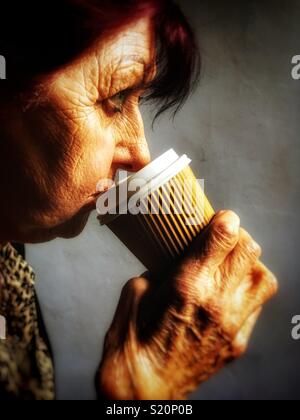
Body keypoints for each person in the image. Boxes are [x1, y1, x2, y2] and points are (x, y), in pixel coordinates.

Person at [0, 0, 278, 400]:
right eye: (115, 98)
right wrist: (144, 397)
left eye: (137, 100)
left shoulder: (11, 270)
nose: (140, 155)